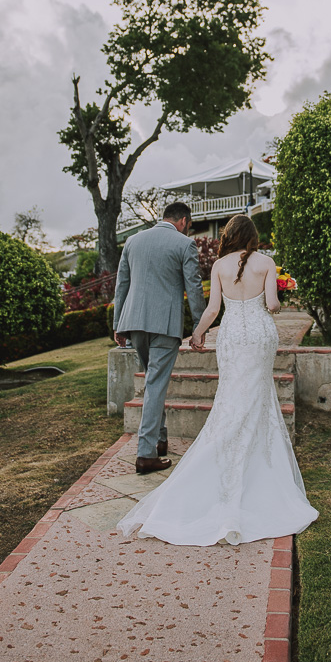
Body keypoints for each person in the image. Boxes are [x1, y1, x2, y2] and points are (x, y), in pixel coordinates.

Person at [116, 214, 318, 546]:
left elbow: (211, 310)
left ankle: (221, 465)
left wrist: (196, 335)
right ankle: (259, 470)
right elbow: (272, 305)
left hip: (232, 337)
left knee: (232, 399)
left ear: (230, 236)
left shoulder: (219, 266)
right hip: (259, 337)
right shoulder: (267, 263)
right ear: (253, 237)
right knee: (258, 397)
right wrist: (279, 295)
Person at [113, 201, 206, 475]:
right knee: (155, 383)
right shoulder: (184, 244)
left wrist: (118, 325)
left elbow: (122, 285)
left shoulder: (132, 241)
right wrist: (200, 326)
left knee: (154, 382)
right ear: (184, 221)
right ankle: (145, 454)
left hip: (134, 323)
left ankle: (160, 439)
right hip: (165, 325)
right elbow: (194, 287)